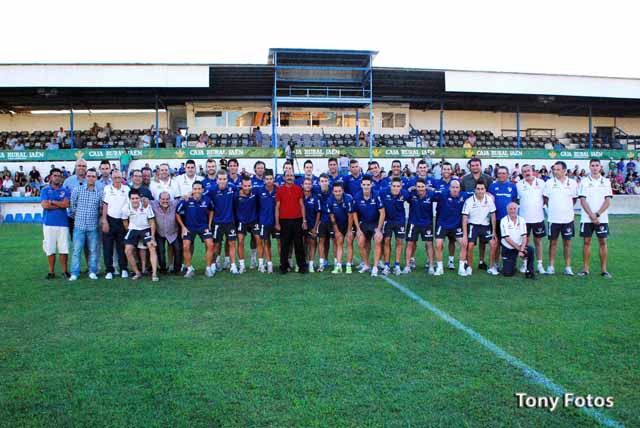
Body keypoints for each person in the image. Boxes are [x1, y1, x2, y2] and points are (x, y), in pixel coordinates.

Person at [577, 159, 613, 278]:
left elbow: (608, 201)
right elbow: (582, 200)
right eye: (592, 165)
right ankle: (586, 269)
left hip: (601, 218)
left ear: (600, 167)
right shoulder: (584, 181)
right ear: (589, 167)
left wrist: (597, 215)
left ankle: (604, 270)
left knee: (603, 242)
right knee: (587, 242)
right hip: (587, 218)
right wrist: (592, 215)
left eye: (597, 165)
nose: (595, 167)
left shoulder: (606, 181)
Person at [543, 161, 578, 275]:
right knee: (553, 243)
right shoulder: (549, 183)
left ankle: (568, 267)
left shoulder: (572, 183)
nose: (555, 171)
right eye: (554, 169)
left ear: (564, 170)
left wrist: (565, 209)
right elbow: (546, 199)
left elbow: (574, 199)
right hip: (553, 219)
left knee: (567, 243)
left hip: (568, 219)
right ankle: (551, 266)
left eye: (558, 169)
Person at [176, 181, 215, 278]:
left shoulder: (207, 199)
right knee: (186, 246)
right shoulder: (186, 200)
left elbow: (211, 210)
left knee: (210, 244)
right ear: (192, 189)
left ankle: (208, 268)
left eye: (199, 189)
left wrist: (209, 224)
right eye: (195, 189)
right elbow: (177, 213)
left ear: (202, 190)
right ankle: (189, 269)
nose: (197, 191)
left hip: (203, 226)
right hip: (189, 227)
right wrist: (183, 227)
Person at [69, 168, 102, 281]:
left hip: (93, 226)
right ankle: (74, 273)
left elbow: (100, 209)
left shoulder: (99, 193)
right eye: (89, 176)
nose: (91, 178)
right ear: (86, 177)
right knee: (76, 251)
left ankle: (92, 271)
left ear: (96, 178)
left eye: (93, 176)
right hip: (79, 226)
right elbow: (72, 206)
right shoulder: (77, 190)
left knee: (93, 250)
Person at [461, 180, 499, 276]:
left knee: (493, 244)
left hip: (485, 226)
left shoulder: (489, 200)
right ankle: (469, 267)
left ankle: (491, 267)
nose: (480, 191)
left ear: (485, 190)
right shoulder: (469, 201)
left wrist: (494, 231)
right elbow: (465, 218)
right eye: (478, 189)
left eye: (482, 189)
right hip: (473, 225)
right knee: (470, 245)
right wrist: (465, 235)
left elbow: (493, 215)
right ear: (475, 189)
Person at [122, 188, 159, 281]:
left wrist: (153, 237)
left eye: (137, 198)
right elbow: (125, 222)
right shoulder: (126, 208)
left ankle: (154, 274)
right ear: (129, 199)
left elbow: (152, 222)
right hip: (133, 229)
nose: (135, 200)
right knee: (127, 250)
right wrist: (130, 232)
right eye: (133, 198)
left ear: (140, 198)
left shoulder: (146, 206)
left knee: (152, 247)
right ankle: (137, 272)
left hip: (145, 228)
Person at [40, 168, 71, 279]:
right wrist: (59, 204)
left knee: (64, 248)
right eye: (55, 175)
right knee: (50, 248)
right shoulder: (45, 190)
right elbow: (45, 205)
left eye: (59, 176)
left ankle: (64, 271)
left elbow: (66, 204)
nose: (57, 177)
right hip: (49, 223)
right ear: (50, 177)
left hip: (63, 223)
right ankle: (51, 272)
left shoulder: (65, 190)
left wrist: (52, 201)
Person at [516, 164, 546, 274]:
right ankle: (525, 264)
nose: (527, 173)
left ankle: (539, 264)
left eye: (528, 170)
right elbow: (517, 201)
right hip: (524, 219)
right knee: (525, 242)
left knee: (538, 241)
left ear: (532, 171)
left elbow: (545, 199)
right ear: (522, 173)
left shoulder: (542, 183)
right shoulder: (519, 185)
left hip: (538, 218)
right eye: (524, 171)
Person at [275, 170, 307, 274]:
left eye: (291, 175)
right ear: (284, 178)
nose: (289, 177)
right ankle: (284, 267)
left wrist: (304, 220)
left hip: (297, 220)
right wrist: (277, 222)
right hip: (284, 221)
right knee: (285, 245)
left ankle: (302, 266)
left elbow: (302, 205)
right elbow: (277, 207)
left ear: (294, 177)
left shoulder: (298, 189)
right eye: (287, 175)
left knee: (299, 245)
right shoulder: (280, 190)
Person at [352, 176, 385, 276]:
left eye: (368, 185)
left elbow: (382, 212)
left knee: (378, 241)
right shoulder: (357, 196)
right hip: (364, 223)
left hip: (375, 223)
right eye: (364, 185)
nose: (366, 187)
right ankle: (366, 265)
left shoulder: (376, 195)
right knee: (361, 243)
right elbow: (354, 213)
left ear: (371, 185)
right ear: (361, 185)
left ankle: (375, 267)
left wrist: (379, 229)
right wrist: (357, 229)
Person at [433, 180, 467, 276]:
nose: (455, 189)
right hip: (442, 224)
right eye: (453, 187)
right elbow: (430, 193)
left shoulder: (464, 195)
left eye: (457, 187)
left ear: (460, 188)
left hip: (456, 225)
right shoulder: (442, 194)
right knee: (438, 244)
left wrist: (489, 194)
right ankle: (439, 268)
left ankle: (461, 268)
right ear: (449, 188)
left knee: (464, 244)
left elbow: (476, 193)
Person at [101, 170, 131, 279]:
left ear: (122, 178)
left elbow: (129, 205)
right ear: (111, 178)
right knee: (107, 247)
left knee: (122, 246)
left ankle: (124, 268)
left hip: (122, 221)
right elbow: (105, 205)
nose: (117, 180)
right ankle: (109, 270)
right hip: (109, 220)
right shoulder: (107, 189)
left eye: (119, 178)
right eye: (115, 178)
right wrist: (104, 221)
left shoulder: (126, 189)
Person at [208, 170, 239, 275]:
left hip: (230, 221)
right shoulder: (211, 190)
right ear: (217, 180)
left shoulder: (232, 188)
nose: (222, 181)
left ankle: (233, 266)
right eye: (220, 179)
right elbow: (201, 195)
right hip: (217, 222)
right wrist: (188, 194)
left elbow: (243, 189)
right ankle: (213, 265)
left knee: (232, 243)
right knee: (216, 245)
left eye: (224, 179)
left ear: (227, 179)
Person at [405, 178, 437, 274]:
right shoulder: (412, 195)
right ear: (416, 187)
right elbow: (403, 194)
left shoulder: (431, 195)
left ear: (425, 187)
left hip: (427, 224)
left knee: (429, 244)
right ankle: (407, 266)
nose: (420, 189)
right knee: (410, 243)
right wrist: (409, 189)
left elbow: (440, 195)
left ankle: (431, 265)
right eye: (418, 187)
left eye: (422, 186)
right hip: (413, 223)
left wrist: (432, 189)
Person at [380, 177, 409, 276]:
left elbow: (413, 198)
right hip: (387, 221)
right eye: (394, 186)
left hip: (400, 221)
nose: (396, 188)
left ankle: (397, 265)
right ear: (390, 186)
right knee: (386, 241)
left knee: (399, 241)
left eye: (398, 186)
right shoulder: (383, 193)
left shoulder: (405, 194)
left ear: (401, 187)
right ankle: (387, 265)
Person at [500, 202, 536, 279]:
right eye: (510, 209)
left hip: (520, 246)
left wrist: (522, 250)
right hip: (508, 248)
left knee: (530, 250)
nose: (512, 211)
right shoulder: (503, 221)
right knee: (508, 273)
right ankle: (511, 265)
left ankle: (529, 271)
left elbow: (524, 236)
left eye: (514, 209)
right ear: (507, 210)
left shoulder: (522, 220)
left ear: (517, 209)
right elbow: (507, 238)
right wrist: (520, 250)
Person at [325, 182, 354, 274]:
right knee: (339, 242)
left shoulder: (348, 199)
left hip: (348, 223)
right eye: (336, 191)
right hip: (337, 223)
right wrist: (337, 231)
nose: (337, 193)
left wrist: (349, 230)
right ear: (333, 192)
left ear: (343, 191)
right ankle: (338, 266)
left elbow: (350, 216)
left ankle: (349, 266)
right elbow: (332, 217)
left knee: (349, 242)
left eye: (339, 191)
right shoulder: (329, 200)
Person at [151, 192, 182, 274]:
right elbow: (144, 200)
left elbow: (183, 198)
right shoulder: (154, 204)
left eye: (167, 199)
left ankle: (177, 269)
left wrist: (187, 195)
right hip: (160, 232)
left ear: (170, 199)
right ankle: (163, 269)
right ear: (159, 199)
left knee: (178, 249)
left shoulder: (174, 203)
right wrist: (144, 200)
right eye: (163, 199)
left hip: (173, 232)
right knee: (160, 251)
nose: (165, 201)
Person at [234, 176, 259, 273]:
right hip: (241, 221)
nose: (247, 188)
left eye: (249, 185)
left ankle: (254, 260)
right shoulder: (236, 195)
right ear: (241, 185)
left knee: (257, 238)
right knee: (240, 240)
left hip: (253, 220)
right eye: (245, 186)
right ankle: (242, 265)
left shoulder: (255, 193)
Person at [255, 169, 277, 273]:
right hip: (264, 221)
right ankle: (269, 264)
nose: (269, 181)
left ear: (273, 179)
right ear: (264, 180)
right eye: (267, 179)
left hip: (276, 222)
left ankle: (284, 262)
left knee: (280, 242)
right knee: (266, 242)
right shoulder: (259, 191)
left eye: (271, 179)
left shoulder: (278, 190)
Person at [302, 177, 322, 272]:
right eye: (306, 184)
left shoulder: (315, 198)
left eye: (309, 184)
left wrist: (315, 227)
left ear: (312, 185)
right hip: (300, 225)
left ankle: (311, 264)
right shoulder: (299, 196)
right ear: (302, 185)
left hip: (312, 225)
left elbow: (318, 213)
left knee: (312, 243)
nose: (307, 185)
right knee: (302, 244)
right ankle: (302, 262)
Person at [315, 174, 333, 272]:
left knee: (332, 241)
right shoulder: (316, 191)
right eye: (322, 181)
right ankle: (322, 263)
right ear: (319, 182)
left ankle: (334, 262)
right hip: (321, 220)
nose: (324, 183)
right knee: (321, 240)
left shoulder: (333, 190)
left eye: (326, 181)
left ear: (329, 181)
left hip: (332, 220)